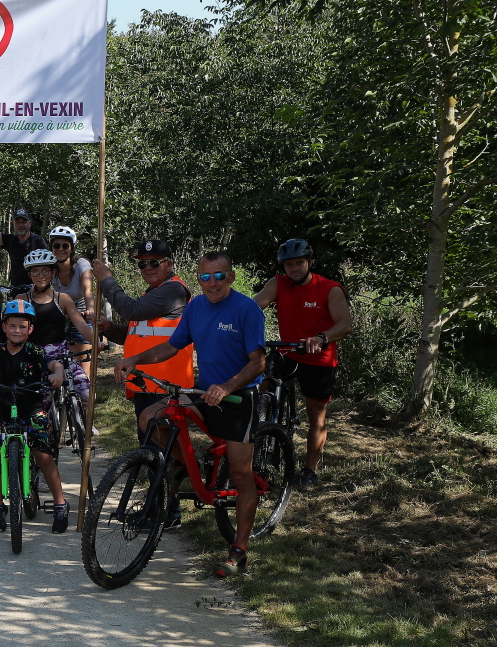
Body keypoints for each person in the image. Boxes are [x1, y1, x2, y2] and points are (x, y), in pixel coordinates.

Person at [114, 251, 266, 578]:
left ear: (232, 277)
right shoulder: (196, 306)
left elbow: (258, 362)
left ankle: (239, 549)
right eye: (205, 277)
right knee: (152, 417)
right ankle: (184, 464)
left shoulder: (246, 309)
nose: (212, 283)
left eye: (219, 276)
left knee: (241, 475)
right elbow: (172, 345)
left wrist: (226, 387)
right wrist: (136, 360)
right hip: (204, 392)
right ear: (198, 278)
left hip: (239, 397)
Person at [0, 300, 71, 534]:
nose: (17, 331)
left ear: (30, 329)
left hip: (32, 411)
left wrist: (58, 374)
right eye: (12, 326)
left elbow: (53, 365)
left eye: (22, 326)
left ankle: (60, 504)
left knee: (44, 455)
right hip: (3, 412)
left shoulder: (35, 352)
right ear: (4, 327)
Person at [253, 238, 352, 488]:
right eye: (288, 264)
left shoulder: (330, 289)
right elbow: (254, 306)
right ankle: (258, 449)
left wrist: (322, 337)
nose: (294, 268)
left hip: (319, 357)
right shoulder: (278, 283)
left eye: (299, 263)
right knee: (259, 392)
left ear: (309, 262)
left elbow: (345, 324)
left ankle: (309, 470)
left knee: (315, 414)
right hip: (287, 352)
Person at [94, 239, 193, 448]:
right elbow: (135, 335)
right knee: (151, 449)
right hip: (147, 383)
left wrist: (106, 281)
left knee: (162, 450)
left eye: (154, 263)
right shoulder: (151, 295)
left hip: (166, 386)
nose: (147, 268)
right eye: (142, 263)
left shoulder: (173, 290)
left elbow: (132, 310)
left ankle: (180, 476)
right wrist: (110, 328)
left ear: (170, 264)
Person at [18, 249, 92, 407]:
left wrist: (95, 341)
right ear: (30, 275)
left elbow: (80, 324)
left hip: (63, 356)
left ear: (52, 273)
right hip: (34, 358)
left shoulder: (62, 299)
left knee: (87, 393)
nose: (40, 276)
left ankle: (83, 426)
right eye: (35, 272)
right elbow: (14, 331)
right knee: (41, 407)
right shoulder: (22, 300)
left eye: (45, 271)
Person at [48, 226, 95, 376]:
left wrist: (91, 310)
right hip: (59, 318)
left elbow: (88, 290)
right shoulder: (50, 269)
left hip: (81, 317)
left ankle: (85, 396)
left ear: (72, 248)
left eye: (65, 246)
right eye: (56, 246)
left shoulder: (81, 264)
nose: (60, 249)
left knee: (82, 369)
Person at [0, 191, 47, 289]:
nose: (21, 225)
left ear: (30, 223)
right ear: (14, 224)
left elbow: (46, 267)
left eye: (24, 222)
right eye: (18, 222)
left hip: (35, 289)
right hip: (15, 289)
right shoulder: (11, 240)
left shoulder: (38, 241)